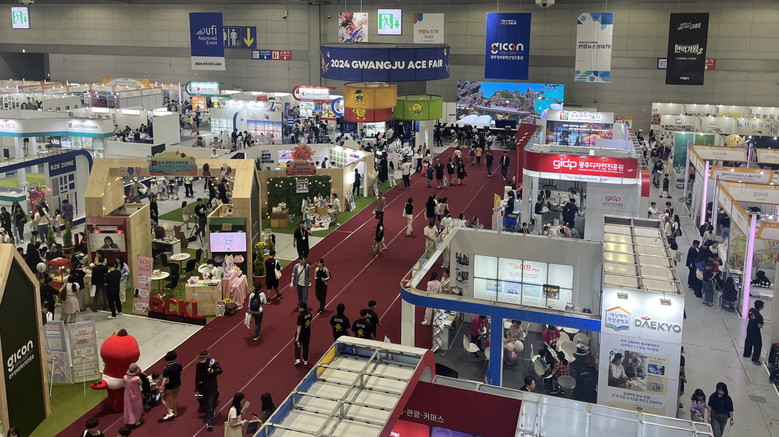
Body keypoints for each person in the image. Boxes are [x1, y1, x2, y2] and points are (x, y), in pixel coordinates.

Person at [195, 349, 222, 430]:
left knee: (210, 404)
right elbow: (197, 376)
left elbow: (220, 371)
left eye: (202, 357)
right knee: (207, 401)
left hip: (211, 386)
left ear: (206, 357)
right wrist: (197, 387)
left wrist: (213, 371)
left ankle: (209, 421)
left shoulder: (213, 363)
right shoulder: (198, 364)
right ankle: (212, 408)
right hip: (203, 387)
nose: (200, 359)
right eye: (200, 357)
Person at [160, 350, 183, 420]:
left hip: (169, 386)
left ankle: (169, 411)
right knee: (175, 397)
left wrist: (162, 387)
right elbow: (180, 373)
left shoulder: (167, 368)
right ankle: (175, 412)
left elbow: (164, 379)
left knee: (163, 399)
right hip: (178, 383)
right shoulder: (179, 364)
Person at [123, 363, 144, 428]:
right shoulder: (136, 378)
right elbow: (141, 383)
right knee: (136, 407)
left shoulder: (125, 377)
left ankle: (130, 420)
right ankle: (137, 421)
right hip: (135, 394)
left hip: (127, 394)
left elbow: (124, 383)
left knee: (129, 407)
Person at [744, 299, 765, 365]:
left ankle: (746, 353)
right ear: (761, 307)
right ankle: (755, 359)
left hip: (749, 328)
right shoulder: (759, 316)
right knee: (758, 344)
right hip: (755, 331)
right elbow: (759, 326)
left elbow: (749, 317)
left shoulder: (751, 310)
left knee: (748, 341)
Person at [294, 301, 313, 366]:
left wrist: (297, 336)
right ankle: (305, 360)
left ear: (302, 308)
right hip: (307, 332)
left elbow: (299, 326)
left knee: (298, 345)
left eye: (299, 308)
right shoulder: (310, 314)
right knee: (306, 346)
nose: (298, 309)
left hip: (301, 333)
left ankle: (297, 359)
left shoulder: (300, 316)